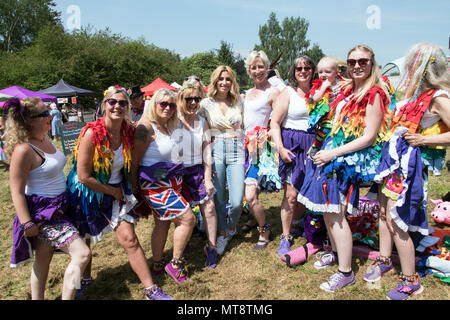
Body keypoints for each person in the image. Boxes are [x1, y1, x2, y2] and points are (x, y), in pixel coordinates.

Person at [297, 45, 391, 293]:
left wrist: (332, 153)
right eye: (352, 61)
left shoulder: (374, 94)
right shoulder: (348, 89)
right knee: (328, 211)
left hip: (344, 159)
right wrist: (319, 144)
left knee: (336, 212)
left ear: (372, 63)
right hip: (328, 154)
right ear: (346, 65)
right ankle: (338, 254)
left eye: (363, 61)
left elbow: (369, 137)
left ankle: (346, 272)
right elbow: (325, 112)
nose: (357, 66)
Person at [67, 86, 171, 300]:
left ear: (128, 107)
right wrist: (112, 191)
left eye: (122, 103)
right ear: (104, 105)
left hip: (115, 192)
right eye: (112, 102)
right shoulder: (90, 133)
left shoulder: (128, 131)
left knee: (130, 239)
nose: (117, 106)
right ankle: (82, 281)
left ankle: (151, 289)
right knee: (83, 240)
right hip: (86, 194)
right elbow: (84, 176)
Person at [368, 43, 450, 300]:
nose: (408, 65)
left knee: (396, 218)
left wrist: (424, 141)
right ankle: (384, 258)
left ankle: (411, 279)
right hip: (392, 163)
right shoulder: (412, 93)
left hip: (410, 167)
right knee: (382, 211)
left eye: (414, 61)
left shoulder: (438, 97)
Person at [5, 97, 91, 300]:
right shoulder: (24, 150)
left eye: (48, 112)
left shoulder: (44, 139)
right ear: (28, 120)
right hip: (43, 213)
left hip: (61, 206)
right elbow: (16, 190)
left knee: (43, 258)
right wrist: (27, 223)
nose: (50, 116)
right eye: (43, 114)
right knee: (82, 254)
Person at [131, 88, 196, 284]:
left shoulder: (167, 126)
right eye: (163, 104)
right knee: (188, 219)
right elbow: (134, 163)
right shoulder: (145, 128)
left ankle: (157, 264)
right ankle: (175, 264)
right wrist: (135, 189)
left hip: (171, 183)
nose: (168, 108)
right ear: (153, 104)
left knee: (162, 224)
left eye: (171, 105)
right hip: (155, 187)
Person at [270, 55, 316, 256]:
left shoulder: (320, 92)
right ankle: (286, 235)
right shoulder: (287, 92)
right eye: (299, 68)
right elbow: (274, 123)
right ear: (294, 72)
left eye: (307, 67)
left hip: (314, 145)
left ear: (312, 70)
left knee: (306, 193)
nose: (303, 71)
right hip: (292, 144)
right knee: (291, 194)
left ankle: (298, 222)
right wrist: (280, 148)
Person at [198, 65, 245, 255]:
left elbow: (244, 126)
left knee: (236, 200)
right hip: (215, 148)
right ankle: (223, 231)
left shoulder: (239, 101)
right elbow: (202, 131)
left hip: (236, 150)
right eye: (221, 79)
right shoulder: (206, 104)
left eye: (228, 79)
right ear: (215, 81)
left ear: (232, 81)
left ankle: (232, 225)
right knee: (218, 197)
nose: (224, 82)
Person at [172, 77, 218, 268]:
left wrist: (207, 179)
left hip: (198, 170)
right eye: (189, 99)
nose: (193, 103)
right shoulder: (173, 121)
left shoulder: (202, 122)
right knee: (183, 213)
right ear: (181, 99)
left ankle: (212, 247)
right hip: (177, 173)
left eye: (197, 99)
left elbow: (207, 152)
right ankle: (184, 241)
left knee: (209, 207)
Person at [241, 50, 281, 251]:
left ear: (267, 68)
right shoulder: (246, 93)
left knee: (250, 195)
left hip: (261, 149)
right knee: (247, 192)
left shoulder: (273, 92)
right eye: (253, 67)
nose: (258, 71)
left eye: (261, 66)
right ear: (249, 70)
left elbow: (280, 119)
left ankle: (265, 230)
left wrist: (267, 137)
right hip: (244, 148)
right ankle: (253, 219)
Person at [306, 56, 343, 159]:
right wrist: (323, 87)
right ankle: (316, 145)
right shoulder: (318, 87)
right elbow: (315, 98)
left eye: (327, 72)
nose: (323, 75)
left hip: (339, 116)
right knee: (325, 128)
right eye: (320, 72)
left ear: (336, 72)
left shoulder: (342, 85)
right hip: (326, 116)